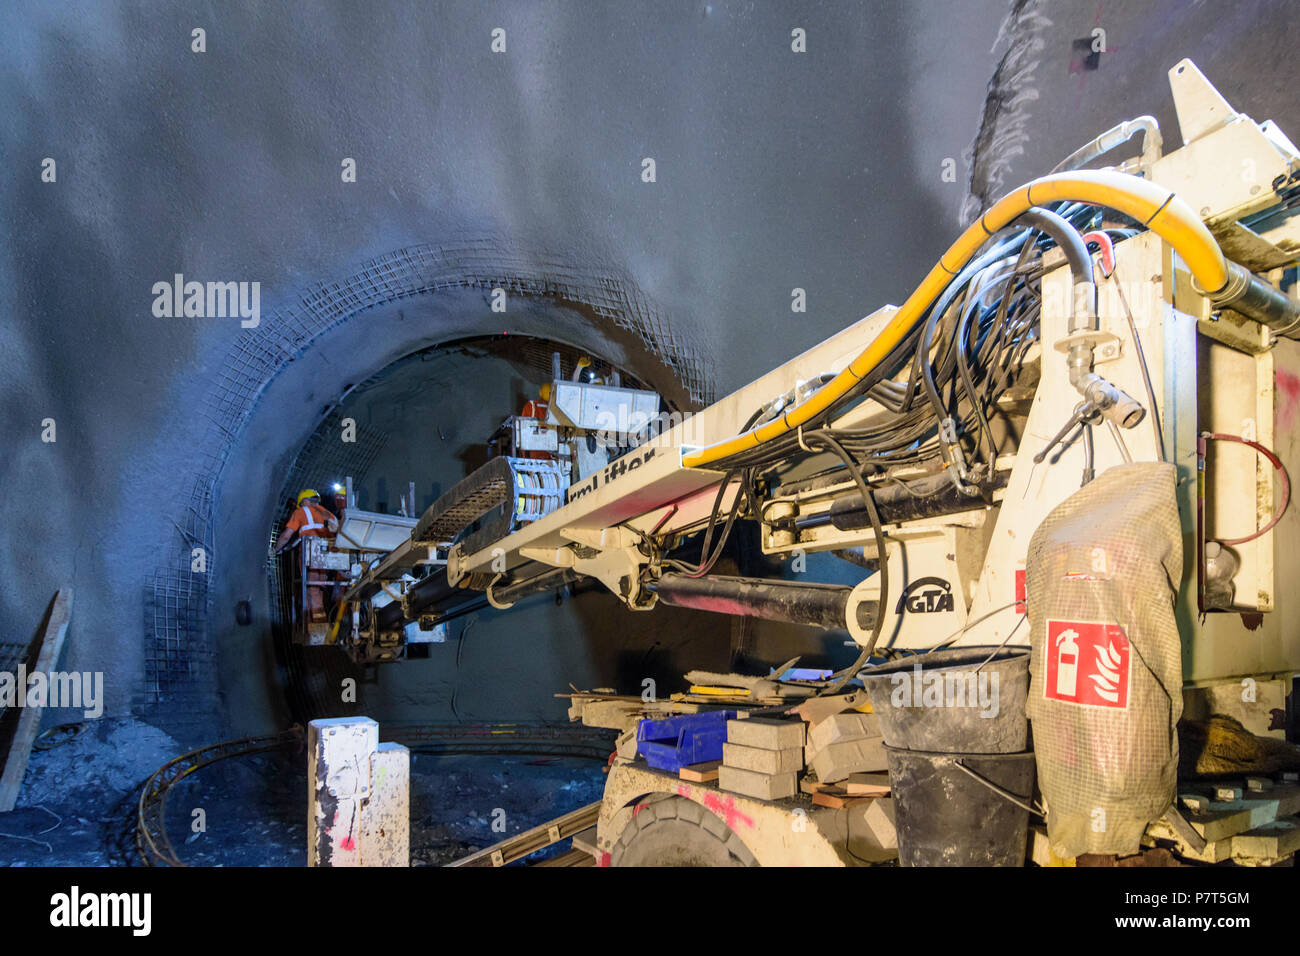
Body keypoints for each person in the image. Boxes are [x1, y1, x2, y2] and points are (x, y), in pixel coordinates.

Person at [274, 489, 339, 554]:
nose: (301, 506)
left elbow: (286, 536)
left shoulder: (301, 511)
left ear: (304, 501)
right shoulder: (329, 514)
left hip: (310, 552)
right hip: (329, 552)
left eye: (301, 504)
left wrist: (275, 550)